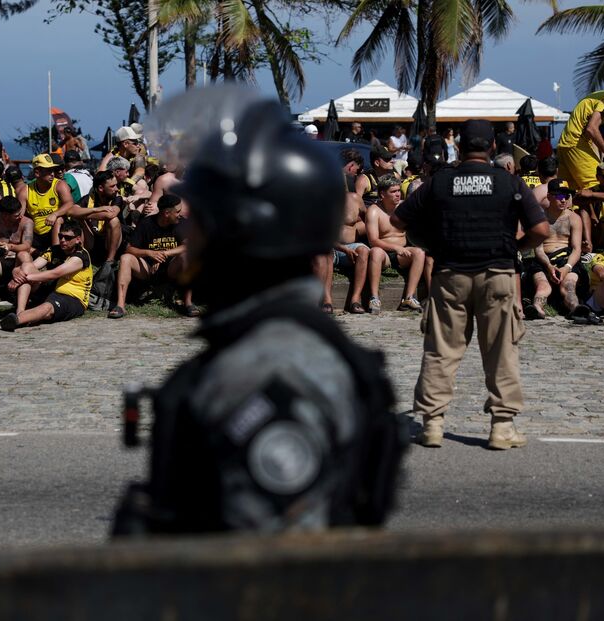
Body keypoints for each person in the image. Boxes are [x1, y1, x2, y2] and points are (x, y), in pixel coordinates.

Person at [111, 91, 405, 536]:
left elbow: (275, 566)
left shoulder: (270, 371)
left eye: (205, 219)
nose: (192, 231)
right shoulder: (264, 341)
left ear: (244, 232)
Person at [391, 119, 550, 450]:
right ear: (492, 148)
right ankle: (502, 427)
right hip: (499, 275)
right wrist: (515, 247)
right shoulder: (509, 182)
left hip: (450, 275)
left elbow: (398, 220)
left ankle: (433, 424)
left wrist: (432, 243)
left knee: (441, 351)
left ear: (459, 147)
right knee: (501, 351)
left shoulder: (439, 182)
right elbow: (541, 231)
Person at [108, 194, 193, 318]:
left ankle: (188, 303)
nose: (180, 214)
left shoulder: (180, 223)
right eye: (178, 211)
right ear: (167, 213)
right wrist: (149, 253)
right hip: (148, 268)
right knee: (125, 258)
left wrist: (163, 254)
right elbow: (129, 249)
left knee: (186, 256)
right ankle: (120, 305)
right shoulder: (146, 224)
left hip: (171, 268)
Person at [0, 220, 92, 331]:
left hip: (72, 298)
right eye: (60, 236)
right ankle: (20, 311)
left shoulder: (81, 256)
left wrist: (23, 278)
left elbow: (55, 273)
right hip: (51, 290)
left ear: (77, 239)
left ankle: (17, 320)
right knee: (26, 267)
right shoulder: (54, 250)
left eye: (67, 238)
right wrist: (16, 271)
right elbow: (31, 266)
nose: (62, 240)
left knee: (47, 308)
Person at [523, 180, 584, 319]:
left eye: (566, 196)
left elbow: (576, 249)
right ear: (549, 197)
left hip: (566, 260)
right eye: (558, 196)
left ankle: (575, 308)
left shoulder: (574, 218)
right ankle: (537, 308)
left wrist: (566, 268)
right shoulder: (539, 218)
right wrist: (549, 266)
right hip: (544, 260)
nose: (563, 200)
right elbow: (538, 249)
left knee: (569, 286)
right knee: (543, 286)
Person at [365, 174, 427, 311]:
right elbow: (373, 241)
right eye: (393, 192)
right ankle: (374, 298)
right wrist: (395, 247)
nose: (398, 194)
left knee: (420, 252)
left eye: (398, 190)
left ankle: (409, 298)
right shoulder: (374, 211)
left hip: (403, 251)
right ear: (382, 195)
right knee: (375, 252)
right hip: (384, 253)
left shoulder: (405, 207)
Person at [26, 153, 76, 252]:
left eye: (53, 170)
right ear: (37, 173)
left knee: (59, 219)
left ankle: (56, 254)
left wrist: (55, 214)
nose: (52, 173)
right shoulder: (26, 190)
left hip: (56, 229)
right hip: (35, 232)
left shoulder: (60, 185)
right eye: (48, 171)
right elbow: (20, 214)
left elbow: (70, 203)